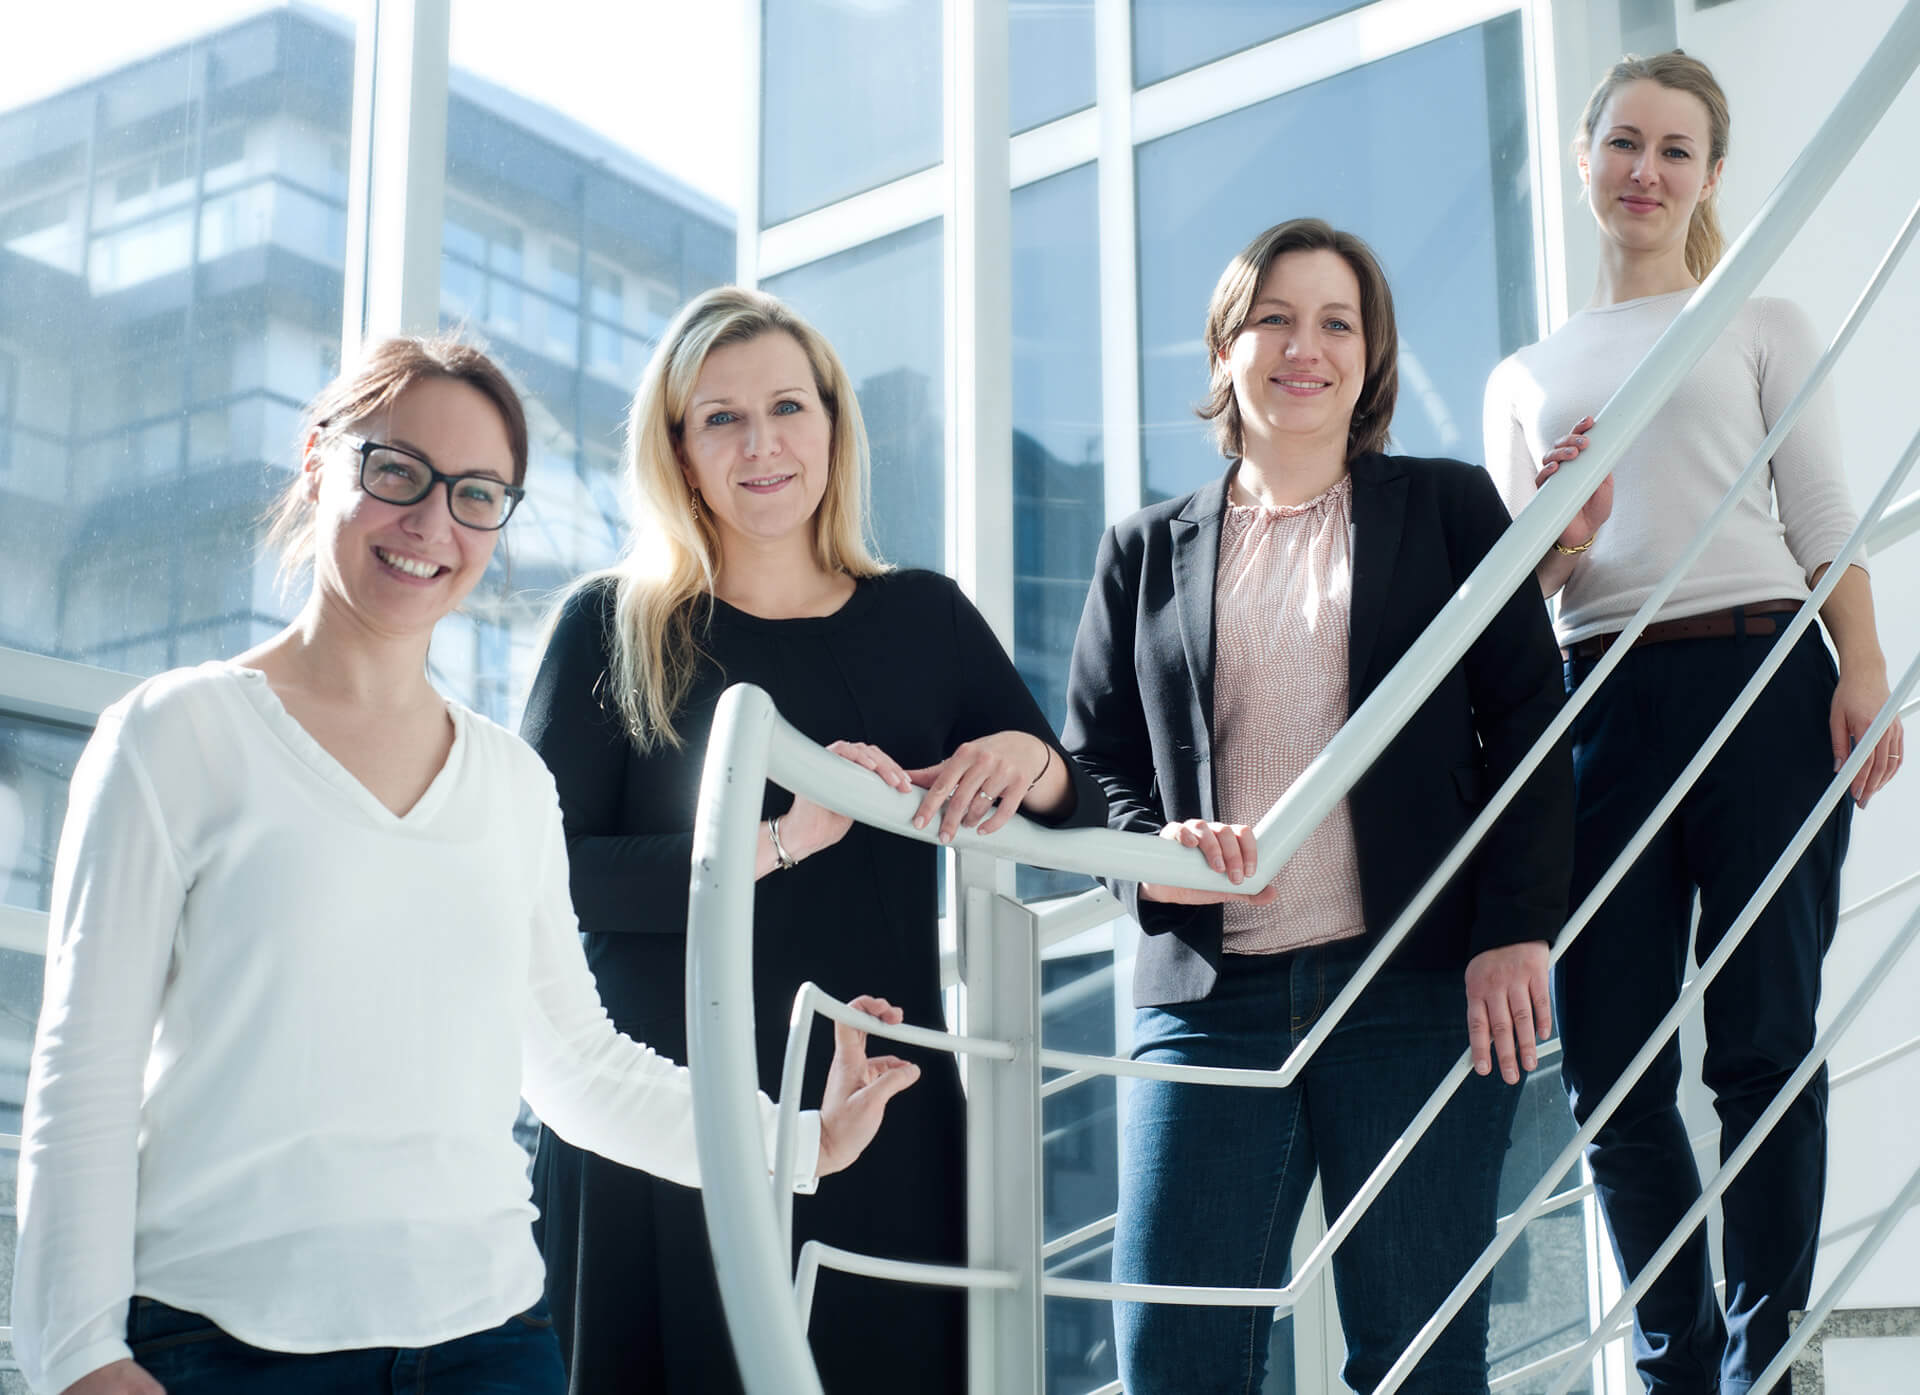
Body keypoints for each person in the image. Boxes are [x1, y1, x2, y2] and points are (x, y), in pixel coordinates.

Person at [12, 336, 919, 1395]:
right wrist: (76, 1351)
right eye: (397, 472)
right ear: (319, 464)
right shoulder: (176, 735)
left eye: (477, 494)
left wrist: (803, 1138)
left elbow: (579, 1068)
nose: (431, 523)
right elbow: (85, 1068)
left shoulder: (510, 784)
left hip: (491, 1346)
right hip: (224, 1346)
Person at [522, 285, 1106, 1395]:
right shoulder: (613, 625)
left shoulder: (924, 619)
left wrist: (1031, 763)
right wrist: (782, 836)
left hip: (883, 1101)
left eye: (789, 407)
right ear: (681, 453)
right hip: (664, 1113)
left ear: (834, 428)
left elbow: (1083, 808)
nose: (763, 445)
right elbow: (544, 878)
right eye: (721, 418)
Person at [1062, 217, 1573, 1395]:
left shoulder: (1445, 510)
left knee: (1419, 1362)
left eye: (1336, 321)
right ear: (1226, 348)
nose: (1306, 345)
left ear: (1370, 354)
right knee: (1177, 1357)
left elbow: (1528, 726)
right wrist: (1149, 851)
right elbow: (1089, 765)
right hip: (1207, 1003)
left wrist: (1513, 926)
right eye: (1275, 318)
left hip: (1411, 984)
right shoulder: (1140, 550)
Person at [1484, 50, 1905, 1395]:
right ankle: (1676, 1357)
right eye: (1623, 142)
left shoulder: (1757, 316)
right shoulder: (1522, 377)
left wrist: (1864, 665)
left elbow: (1823, 512)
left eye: (1675, 150)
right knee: (1609, 1069)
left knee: (1764, 1040)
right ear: (1584, 155)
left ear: (1711, 176)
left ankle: (1760, 1354)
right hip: (1595, 701)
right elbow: (1513, 603)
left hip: (1765, 682)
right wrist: (1563, 536)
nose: (1645, 170)